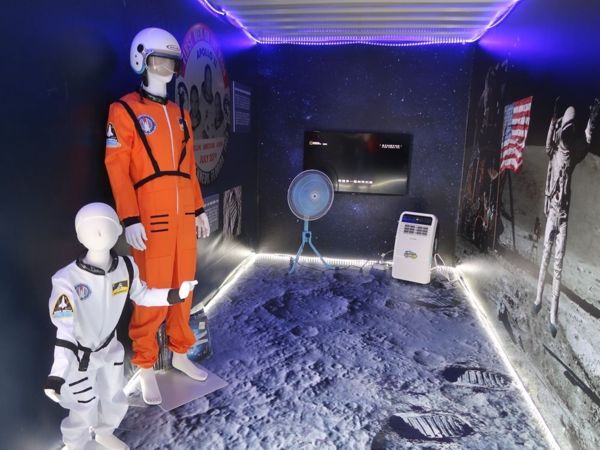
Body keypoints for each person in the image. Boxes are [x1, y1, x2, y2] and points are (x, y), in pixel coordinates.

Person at [104, 28, 211, 405]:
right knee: (151, 291)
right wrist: (130, 217)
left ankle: (180, 350)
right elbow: (117, 166)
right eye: (158, 59)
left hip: (183, 214)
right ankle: (146, 363)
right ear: (142, 60)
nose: (166, 67)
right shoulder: (124, 110)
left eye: (171, 61)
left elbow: (190, 167)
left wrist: (198, 208)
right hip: (151, 214)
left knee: (184, 286)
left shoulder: (181, 115)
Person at [44, 203, 197, 450]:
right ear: (79, 235)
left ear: (117, 230)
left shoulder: (126, 267)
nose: (98, 232)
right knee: (82, 406)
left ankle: (105, 433)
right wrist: (57, 374)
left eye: (105, 225)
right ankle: (75, 444)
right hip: (80, 356)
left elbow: (142, 295)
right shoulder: (66, 279)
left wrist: (174, 295)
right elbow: (65, 330)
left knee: (114, 397)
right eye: (90, 227)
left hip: (110, 348)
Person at [533, 98, 598, 337]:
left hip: (562, 216)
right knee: (546, 258)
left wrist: (592, 122)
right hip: (553, 213)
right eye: (567, 131)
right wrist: (553, 121)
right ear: (562, 130)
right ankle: (538, 299)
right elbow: (548, 144)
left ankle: (553, 316)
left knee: (557, 265)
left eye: (571, 131)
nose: (569, 136)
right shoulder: (555, 153)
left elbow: (587, 142)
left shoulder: (572, 154)